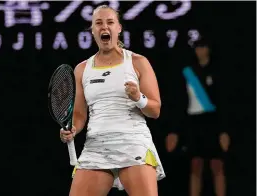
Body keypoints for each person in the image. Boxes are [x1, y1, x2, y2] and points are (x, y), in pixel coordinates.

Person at [60, 5, 165, 196]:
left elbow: (155, 110)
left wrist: (138, 98)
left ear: (119, 28)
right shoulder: (82, 69)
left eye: (110, 22)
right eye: (98, 23)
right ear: (92, 30)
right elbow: (79, 114)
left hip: (133, 143)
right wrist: (72, 129)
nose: (104, 27)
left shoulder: (138, 62)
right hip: (96, 146)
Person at [166, 38, 230, 196]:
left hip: (212, 122)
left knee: (217, 165)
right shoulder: (188, 72)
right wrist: (175, 131)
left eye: (203, 48)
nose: (200, 51)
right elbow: (180, 102)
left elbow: (224, 102)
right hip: (193, 123)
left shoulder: (218, 72)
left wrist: (224, 130)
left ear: (208, 49)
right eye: (197, 48)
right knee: (195, 164)